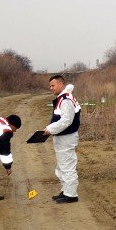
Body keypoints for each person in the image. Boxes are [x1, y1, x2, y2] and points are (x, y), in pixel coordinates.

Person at [42, 75, 81, 204]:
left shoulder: (65, 100)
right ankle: (65, 191)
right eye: (50, 86)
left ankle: (71, 194)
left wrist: (50, 129)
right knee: (62, 166)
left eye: (53, 85)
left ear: (60, 85)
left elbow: (66, 120)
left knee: (67, 166)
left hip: (66, 138)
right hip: (62, 137)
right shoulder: (62, 99)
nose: (51, 88)